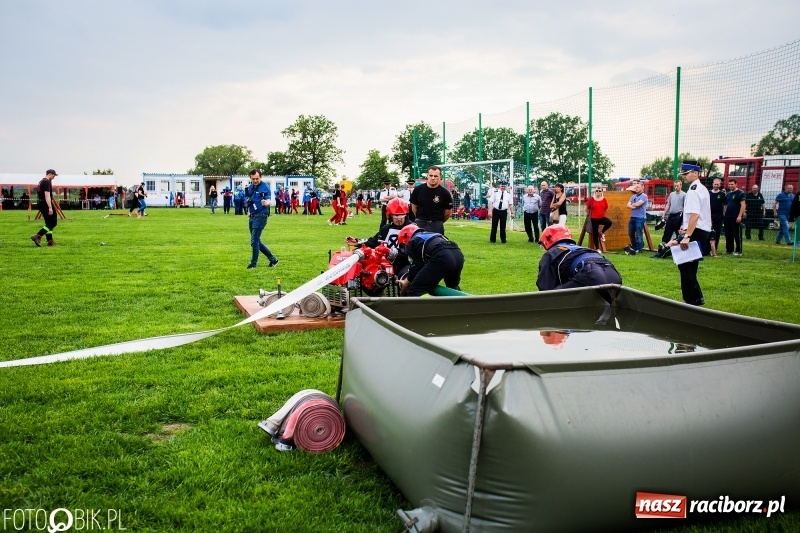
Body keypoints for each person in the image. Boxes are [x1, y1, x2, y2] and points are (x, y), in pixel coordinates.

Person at [667, 160, 711, 306]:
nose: (684, 176)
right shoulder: (702, 189)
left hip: (696, 232)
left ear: (695, 173)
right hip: (699, 231)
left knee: (686, 267)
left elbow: (695, 215)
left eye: (686, 173)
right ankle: (696, 298)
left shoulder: (693, 190)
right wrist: (686, 229)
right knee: (688, 267)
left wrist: (687, 236)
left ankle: (692, 300)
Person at [536, 224, 622, 291]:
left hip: (590, 274)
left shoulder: (551, 253)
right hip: (613, 274)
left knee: (554, 297)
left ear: (547, 240)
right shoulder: (581, 248)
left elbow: (546, 288)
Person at [345, 197, 412, 279]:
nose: (399, 219)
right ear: (390, 216)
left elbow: (411, 253)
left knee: (406, 277)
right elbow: (374, 241)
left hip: (404, 263)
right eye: (396, 216)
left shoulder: (412, 229)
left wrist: (390, 252)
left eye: (402, 216)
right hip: (384, 263)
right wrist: (357, 242)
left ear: (406, 215)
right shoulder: (386, 228)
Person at [396, 224, 464, 297]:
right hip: (458, 255)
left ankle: (426, 304)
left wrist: (408, 281)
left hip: (442, 256)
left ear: (405, 238)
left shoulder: (412, 242)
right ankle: (464, 303)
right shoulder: (433, 235)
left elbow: (416, 267)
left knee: (416, 289)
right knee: (453, 288)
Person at [245, 169, 279, 269]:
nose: (255, 180)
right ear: (250, 178)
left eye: (257, 178)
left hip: (261, 216)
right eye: (253, 179)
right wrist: (248, 210)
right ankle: (273, 260)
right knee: (256, 241)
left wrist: (266, 203)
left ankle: (253, 264)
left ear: (261, 177)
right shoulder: (251, 187)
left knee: (254, 241)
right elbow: (248, 199)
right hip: (252, 216)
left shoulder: (265, 187)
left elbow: (268, 199)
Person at [409, 166, 453, 235]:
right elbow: (414, 208)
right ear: (427, 175)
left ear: (440, 177)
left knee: (437, 242)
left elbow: (447, 213)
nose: (433, 178)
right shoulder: (417, 190)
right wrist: (421, 219)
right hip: (420, 223)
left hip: (436, 225)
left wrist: (438, 222)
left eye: (435, 176)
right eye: (431, 175)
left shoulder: (445, 193)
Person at [30, 169, 58, 247]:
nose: (54, 177)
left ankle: (50, 241)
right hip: (46, 203)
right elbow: (47, 195)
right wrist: (50, 207)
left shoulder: (41, 181)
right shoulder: (46, 182)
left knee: (48, 223)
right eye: (53, 175)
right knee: (53, 223)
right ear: (50, 174)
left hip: (41, 203)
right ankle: (38, 236)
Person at [722, 179, 745, 256]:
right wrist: (724, 213)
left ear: (736, 184)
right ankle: (729, 250)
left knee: (736, 234)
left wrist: (740, 216)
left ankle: (738, 250)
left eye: (732, 184)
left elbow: (743, 205)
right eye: (729, 184)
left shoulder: (740, 193)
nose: (730, 186)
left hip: (735, 216)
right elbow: (726, 205)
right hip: (727, 216)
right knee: (728, 234)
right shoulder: (728, 194)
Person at [624, 180, 647, 255]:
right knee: (631, 233)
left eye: (638, 187)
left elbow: (638, 204)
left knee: (639, 234)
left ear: (642, 187)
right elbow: (628, 205)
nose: (636, 188)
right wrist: (634, 206)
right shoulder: (633, 196)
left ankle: (639, 248)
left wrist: (633, 205)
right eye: (635, 187)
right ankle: (634, 247)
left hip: (640, 218)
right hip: (633, 217)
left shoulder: (644, 196)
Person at [708, 178, 726, 257]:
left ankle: (715, 249)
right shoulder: (708, 193)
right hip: (709, 215)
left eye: (717, 184)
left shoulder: (722, 194)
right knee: (708, 232)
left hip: (719, 216)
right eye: (715, 184)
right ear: (712, 184)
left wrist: (724, 213)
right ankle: (708, 249)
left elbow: (725, 205)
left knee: (717, 233)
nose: (716, 186)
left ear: (720, 185)